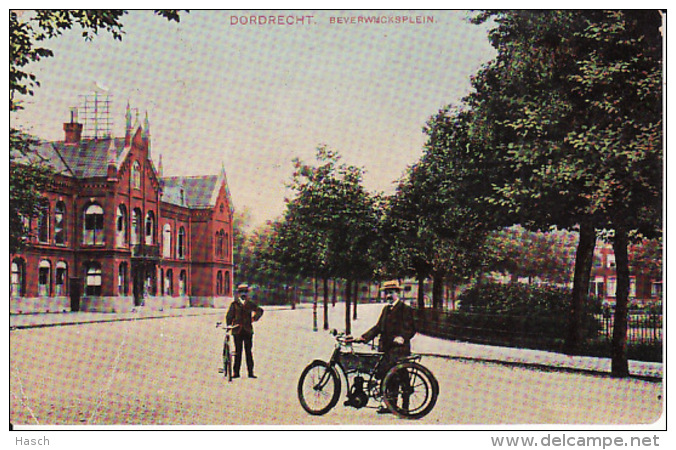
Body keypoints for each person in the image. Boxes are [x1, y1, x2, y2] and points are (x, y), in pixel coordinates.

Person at [355, 279, 416, 413]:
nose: (388, 296)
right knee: (385, 374)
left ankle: (405, 407)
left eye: (391, 292)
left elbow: (411, 328)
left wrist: (403, 337)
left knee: (401, 375)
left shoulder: (405, 309)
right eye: (387, 293)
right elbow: (378, 327)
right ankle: (390, 405)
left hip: (399, 349)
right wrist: (364, 337)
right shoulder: (385, 309)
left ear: (397, 293)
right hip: (385, 347)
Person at [226, 283, 264, 379]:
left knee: (248, 352)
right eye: (241, 292)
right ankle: (236, 372)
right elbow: (229, 316)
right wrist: (229, 325)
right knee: (238, 352)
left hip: (247, 330)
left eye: (245, 292)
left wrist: (254, 318)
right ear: (238, 294)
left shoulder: (250, 303)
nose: (243, 294)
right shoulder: (234, 304)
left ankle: (250, 372)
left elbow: (260, 310)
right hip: (237, 330)